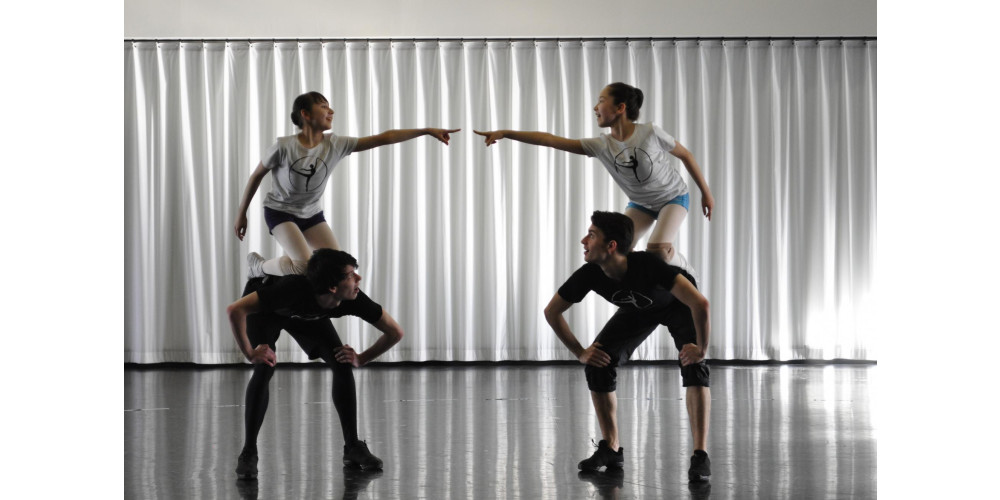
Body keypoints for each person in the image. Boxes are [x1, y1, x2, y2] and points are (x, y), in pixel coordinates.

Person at [543, 211, 712, 482]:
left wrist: (701, 349)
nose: (583, 240)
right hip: (639, 307)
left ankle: (700, 455)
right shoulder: (590, 274)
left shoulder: (648, 265)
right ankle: (611, 448)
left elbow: (699, 303)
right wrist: (581, 353)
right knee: (598, 364)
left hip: (677, 304)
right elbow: (552, 312)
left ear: (611, 246)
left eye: (592, 235)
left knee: (694, 366)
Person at [474, 82, 713, 264]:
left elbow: (686, 155)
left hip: (673, 197)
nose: (594, 107)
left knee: (658, 250)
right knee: (618, 251)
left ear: (620, 108)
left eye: (601, 101)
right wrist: (505, 133)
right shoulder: (601, 145)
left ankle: (683, 269)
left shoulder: (650, 132)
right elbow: (549, 140)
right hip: (641, 203)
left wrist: (706, 193)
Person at [235, 91, 460, 277]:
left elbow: (384, 137)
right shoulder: (283, 147)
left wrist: (426, 131)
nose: (330, 111)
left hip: (311, 213)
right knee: (303, 266)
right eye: (323, 106)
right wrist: (241, 213)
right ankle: (259, 267)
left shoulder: (336, 144)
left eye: (330, 106)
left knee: (338, 268)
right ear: (305, 114)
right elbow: (256, 176)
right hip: (280, 212)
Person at [226, 248, 405, 479]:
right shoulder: (290, 289)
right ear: (333, 286)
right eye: (351, 275)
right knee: (265, 366)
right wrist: (251, 353)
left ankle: (352, 447)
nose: (358, 279)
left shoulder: (353, 297)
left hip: (309, 315)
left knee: (342, 362)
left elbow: (395, 332)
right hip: (269, 312)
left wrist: (360, 358)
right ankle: (249, 452)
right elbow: (235, 309)